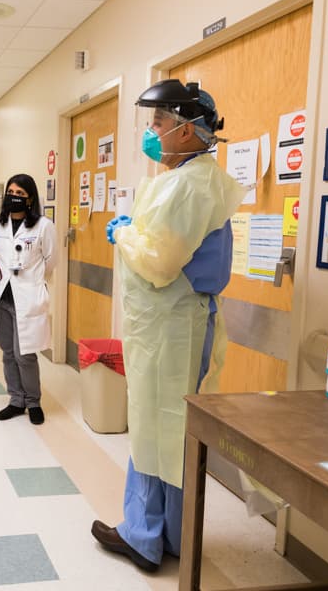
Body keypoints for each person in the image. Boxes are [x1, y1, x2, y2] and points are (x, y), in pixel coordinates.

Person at [93, 79, 245, 571]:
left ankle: (144, 536)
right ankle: (171, 534)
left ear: (187, 130)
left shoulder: (189, 184)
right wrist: (133, 232)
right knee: (167, 428)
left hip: (170, 331)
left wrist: (123, 235)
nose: (151, 133)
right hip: (170, 327)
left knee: (158, 426)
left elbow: (158, 261)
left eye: (159, 123)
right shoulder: (186, 178)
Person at [0, 174, 56, 425]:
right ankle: (16, 400)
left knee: (24, 353)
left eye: (20, 194)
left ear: (30, 199)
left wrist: (31, 281)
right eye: (11, 192)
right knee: (7, 352)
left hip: (27, 297)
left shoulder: (43, 226)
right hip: (2, 295)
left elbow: (51, 261)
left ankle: (33, 401)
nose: (14, 197)